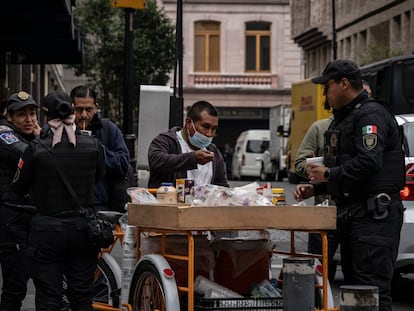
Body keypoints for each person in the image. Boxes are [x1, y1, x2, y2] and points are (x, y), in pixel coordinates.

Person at [293, 59, 405, 311]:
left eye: (327, 86)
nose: (324, 92)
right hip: (354, 214)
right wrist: (318, 187)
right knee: (355, 291)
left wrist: (329, 174)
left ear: (344, 83)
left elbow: (369, 161)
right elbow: (351, 170)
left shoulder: (370, 114)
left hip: (373, 217)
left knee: (371, 291)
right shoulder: (346, 117)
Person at [12, 91, 105, 311]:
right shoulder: (92, 144)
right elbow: (98, 178)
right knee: (82, 297)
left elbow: (18, 187)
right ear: (72, 112)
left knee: (49, 296)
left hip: (47, 232)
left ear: (46, 117)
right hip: (83, 231)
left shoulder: (36, 149)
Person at [0, 91, 41, 311]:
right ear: (9, 117)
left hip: (29, 216)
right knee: (15, 286)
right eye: (22, 115)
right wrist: (40, 139)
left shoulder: (32, 138)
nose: (29, 119)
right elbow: (27, 154)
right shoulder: (4, 135)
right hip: (11, 218)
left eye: (32, 114)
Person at [69, 85, 133, 212]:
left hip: (101, 204)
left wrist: (96, 149)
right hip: (70, 204)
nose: (83, 115)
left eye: (89, 109)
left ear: (96, 108)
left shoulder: (108, 129)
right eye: (78, 109)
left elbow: (123, 163)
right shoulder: (62, 131)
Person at [148, 100, 229, 188]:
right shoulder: (166, 141)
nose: (209, 134)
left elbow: (222, 186)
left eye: (213, 129)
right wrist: (193, 158)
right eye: (205, 127)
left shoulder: (214, 152)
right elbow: (156, 160)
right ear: (188, 123)